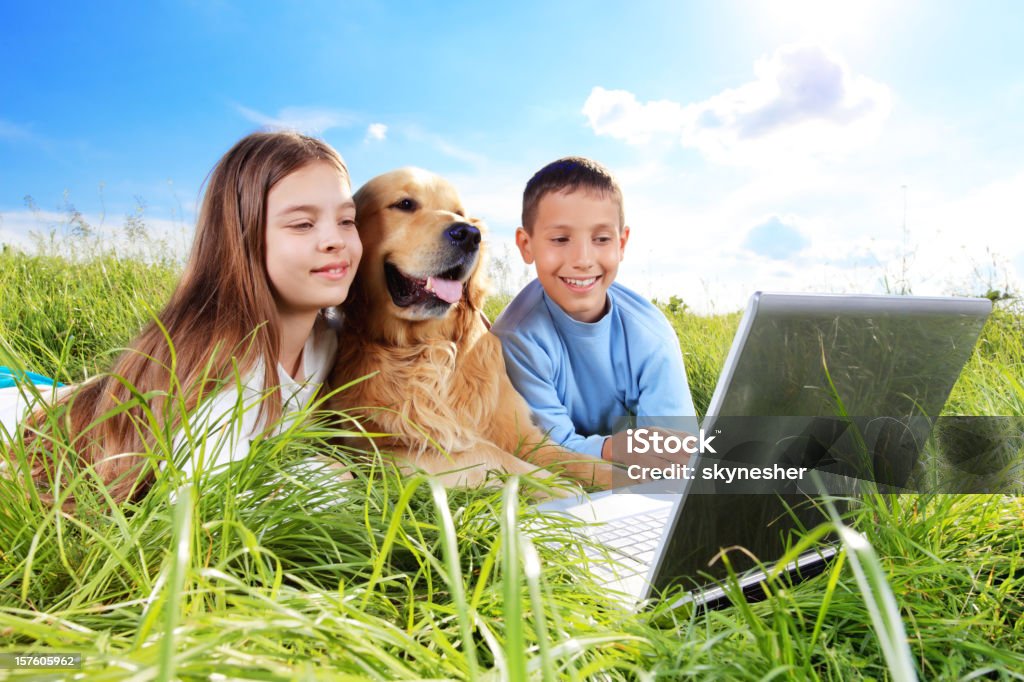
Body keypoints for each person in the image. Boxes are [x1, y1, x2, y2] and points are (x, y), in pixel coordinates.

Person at [1, 131, 361, 504]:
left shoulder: (330, 341)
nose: (334, 239)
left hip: (63, 392)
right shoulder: (228, 367)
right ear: (242, 238)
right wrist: (331, 475)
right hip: (18, 416)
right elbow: (203, 506)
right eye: (303, 224)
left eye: (347, 220)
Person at [491, 156, 695, 462]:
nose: (583, 259)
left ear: (622, 243)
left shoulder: (651, 334)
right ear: (526, 245)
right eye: (560, 239)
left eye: (601, 239)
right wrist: (614, 449)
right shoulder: (516, 338)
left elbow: (674, 449)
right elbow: (542, 448)